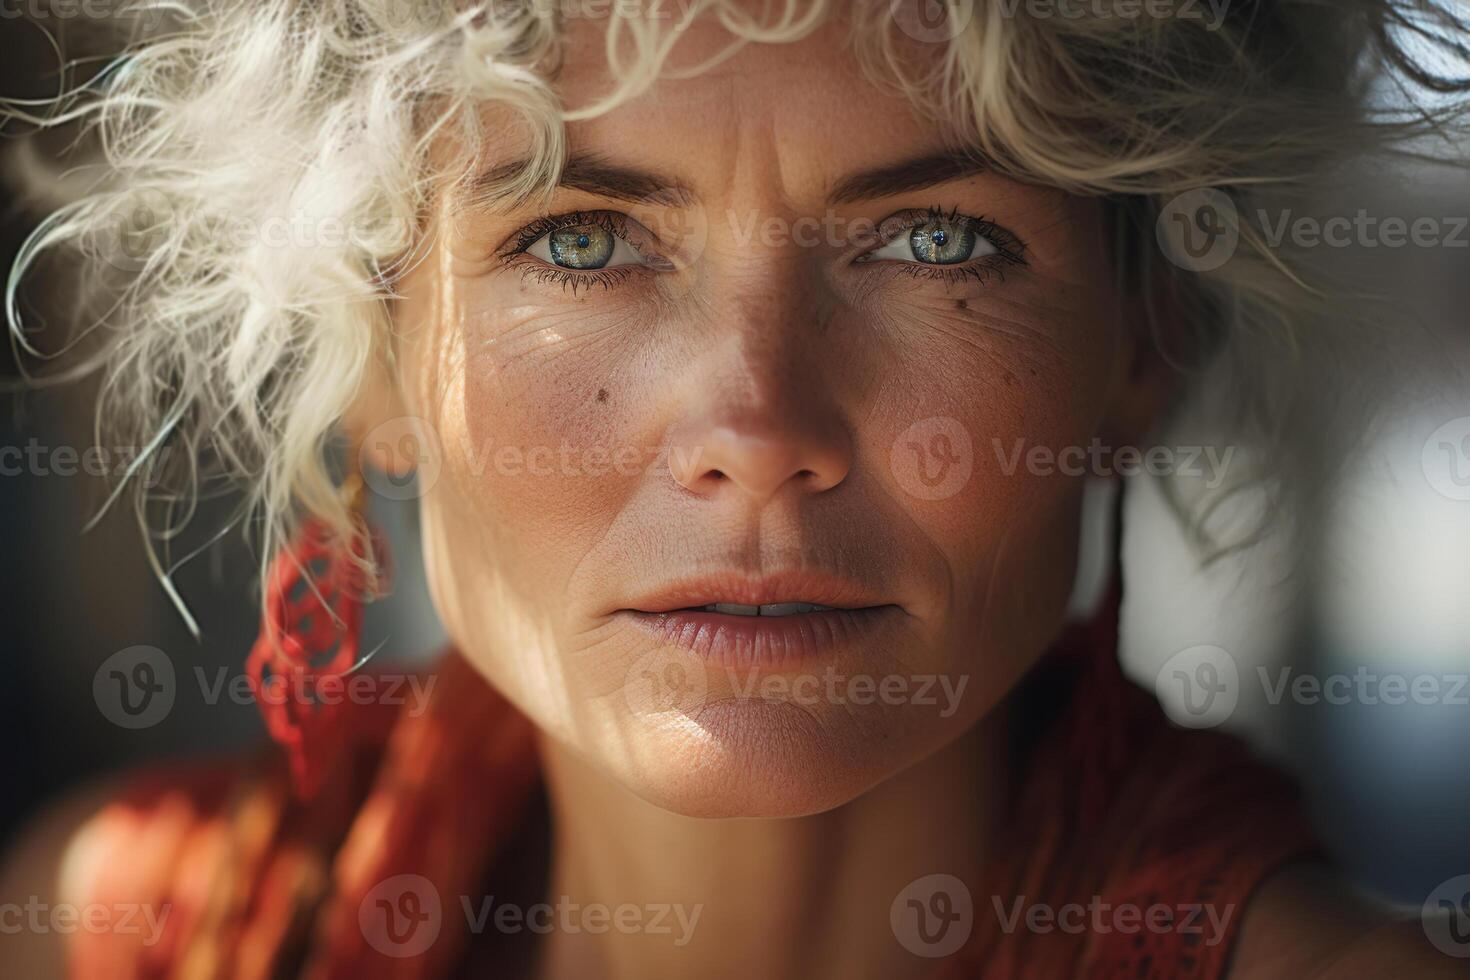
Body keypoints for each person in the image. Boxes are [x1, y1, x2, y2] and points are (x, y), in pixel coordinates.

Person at [3, 1, 1468, 976]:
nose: (757, 423)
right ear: (376, 358)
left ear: (1142, 339)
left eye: (935, 241)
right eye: (580, 241)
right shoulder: (118, 931)